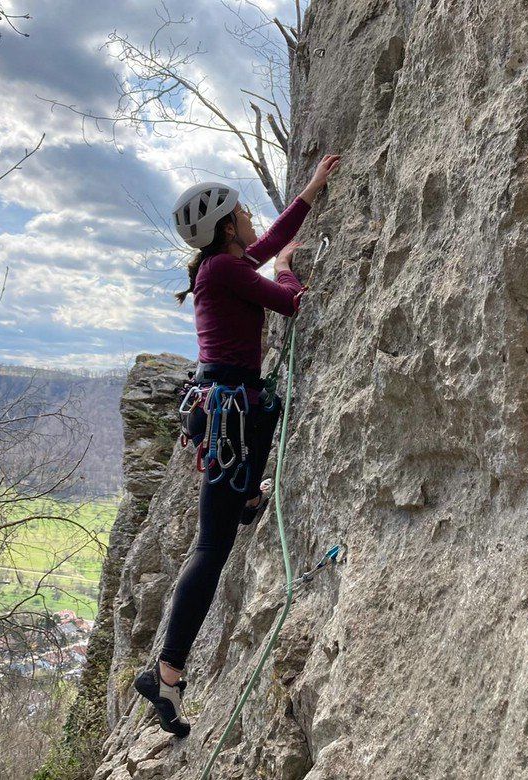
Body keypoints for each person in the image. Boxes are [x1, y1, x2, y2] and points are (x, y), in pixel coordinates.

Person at [133, 155, 342, 738]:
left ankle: (248, 497)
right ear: (227, 226)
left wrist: (309, 192)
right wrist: (287, 273)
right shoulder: (223, 273)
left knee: (229, 506)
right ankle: (167, 673)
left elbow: (271, 239)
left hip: (228, 406)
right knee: (211, 548)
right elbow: (291, 304)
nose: (251, 215)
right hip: (230, 413)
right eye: (242, 211)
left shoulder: (220, 267)